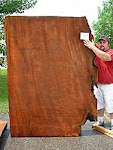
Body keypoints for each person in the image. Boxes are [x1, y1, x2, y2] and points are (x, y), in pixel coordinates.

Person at [83, 36, 113, 130]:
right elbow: (88, 42)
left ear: (108, 44)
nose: (101, 44)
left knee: (110, 104)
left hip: (109, 84)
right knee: (99, 103)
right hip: (98, 83)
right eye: (100, 42)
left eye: (104, 42)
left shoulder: (111, 52)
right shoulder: (97, 50)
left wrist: (93, 47)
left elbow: (105, 57)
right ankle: (100, 121)